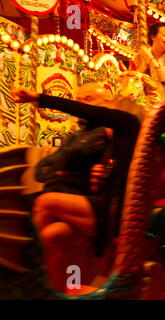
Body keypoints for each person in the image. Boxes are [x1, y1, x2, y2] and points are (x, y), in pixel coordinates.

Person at [11, 84, 145, 292]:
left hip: (112, 215)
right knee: (50, 236)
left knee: (44, 202)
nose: (99, 118)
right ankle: (53, 292)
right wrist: (101, 172)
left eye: (105, 113)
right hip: (100, 208)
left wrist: (37, 97)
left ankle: (22, 272)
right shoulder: (110, 141)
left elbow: (85, 112)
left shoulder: (128, 124)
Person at [132, 22, 165, 101]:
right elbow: (133, 79)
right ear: (153, 37)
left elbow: (164, 76)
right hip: (146, 99)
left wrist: (150, 59)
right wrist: (145, 64)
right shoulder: (140, 56)